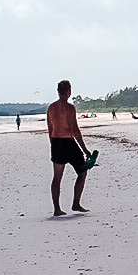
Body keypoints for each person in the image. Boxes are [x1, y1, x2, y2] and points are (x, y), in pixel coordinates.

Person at [47, 80, 90, 216]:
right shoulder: (68, 108)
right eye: (63, 94)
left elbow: (51, 129)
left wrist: (53, 144)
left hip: (60, 143)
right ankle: (58, 209)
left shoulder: (52, 107)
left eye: (64, 94)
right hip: (63, 142)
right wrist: (85, 150)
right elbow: (74, 130)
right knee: (58, 177)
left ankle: (74, 204)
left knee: (81, 173)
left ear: (68, 93)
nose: (64, 96)